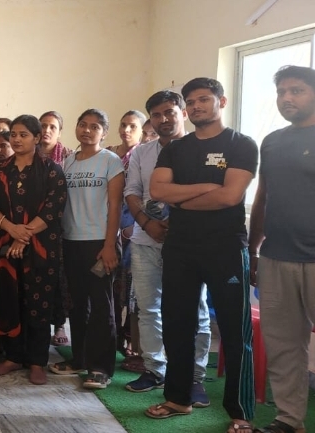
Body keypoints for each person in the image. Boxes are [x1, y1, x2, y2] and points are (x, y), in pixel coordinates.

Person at [146, 78, 258, 433]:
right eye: (191, 102)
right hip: (180, 246)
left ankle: (240, 412)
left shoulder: (241, 144)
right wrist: (208, 187)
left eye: (203, 99)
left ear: (221, 101)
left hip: (226, 247)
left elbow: (230, 197)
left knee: (234, 330)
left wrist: (181, 198)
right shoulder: (176, 148)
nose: (196, 106)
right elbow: (157, 190)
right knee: (177, 323)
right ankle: (178, 398)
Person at [124, 91, 212, 403]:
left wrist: (179, 223)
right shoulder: (142, 153)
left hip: (189, 243)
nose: (164, 119)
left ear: (183, 113)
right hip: (145, 242)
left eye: (170, 112)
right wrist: (147, 223)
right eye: (157, 114)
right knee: (148, 309)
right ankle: (154, 369)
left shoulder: (202, 148)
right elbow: (132, 192)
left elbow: (207, 193)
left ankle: (194, 378)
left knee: (196, 311)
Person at [248, 65, 315, 433]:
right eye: (282, 92)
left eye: (297, 91)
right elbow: (263, 195)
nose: (287, 98)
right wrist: (253, 249)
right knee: (284, 346)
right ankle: (290, 421)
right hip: (276, 257)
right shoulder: (272, 141)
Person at [0, 115, 67, 386]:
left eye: (23, 135)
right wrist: (11, 229)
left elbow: (53, 209)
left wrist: (23, 235)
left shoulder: (51, 170)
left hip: (41, 248)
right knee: (9, 299)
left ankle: (37, 361)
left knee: (37, 304)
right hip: (5, 246)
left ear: (36, 137)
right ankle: (12, 357)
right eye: (14, 135)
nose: (17, 139)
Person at [47, 109, 124, 390]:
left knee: (102, 307)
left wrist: (109, 245)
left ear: (104, 132)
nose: (87, 130)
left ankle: (101, 368)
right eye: (83, 125)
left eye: (94, 126)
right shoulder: (68, 161)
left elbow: (115, 205)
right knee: (77, 305)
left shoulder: (110, 161)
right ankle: (79, 358)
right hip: (72, 242)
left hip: (100, 244)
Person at [107, 110, 147, 367]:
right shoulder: (109, 154)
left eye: (133, 126)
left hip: (136, 231)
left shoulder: (144, 156)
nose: (126, 130)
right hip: (109, 227)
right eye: (123, 125)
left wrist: (134, 225)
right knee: (111, 287)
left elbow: (145, 193)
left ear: (142, 130)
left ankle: (134, 341)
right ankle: (111, 339)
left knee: (135, 292)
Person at [38, 110, 73, 347]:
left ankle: (59, 323)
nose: (46, 130)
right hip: (32, 225)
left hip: (60, 225)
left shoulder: (69, 157)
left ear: (59, 132)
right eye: (43, 125)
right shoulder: (29, 155)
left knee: (60, 277)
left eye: (52, 127)